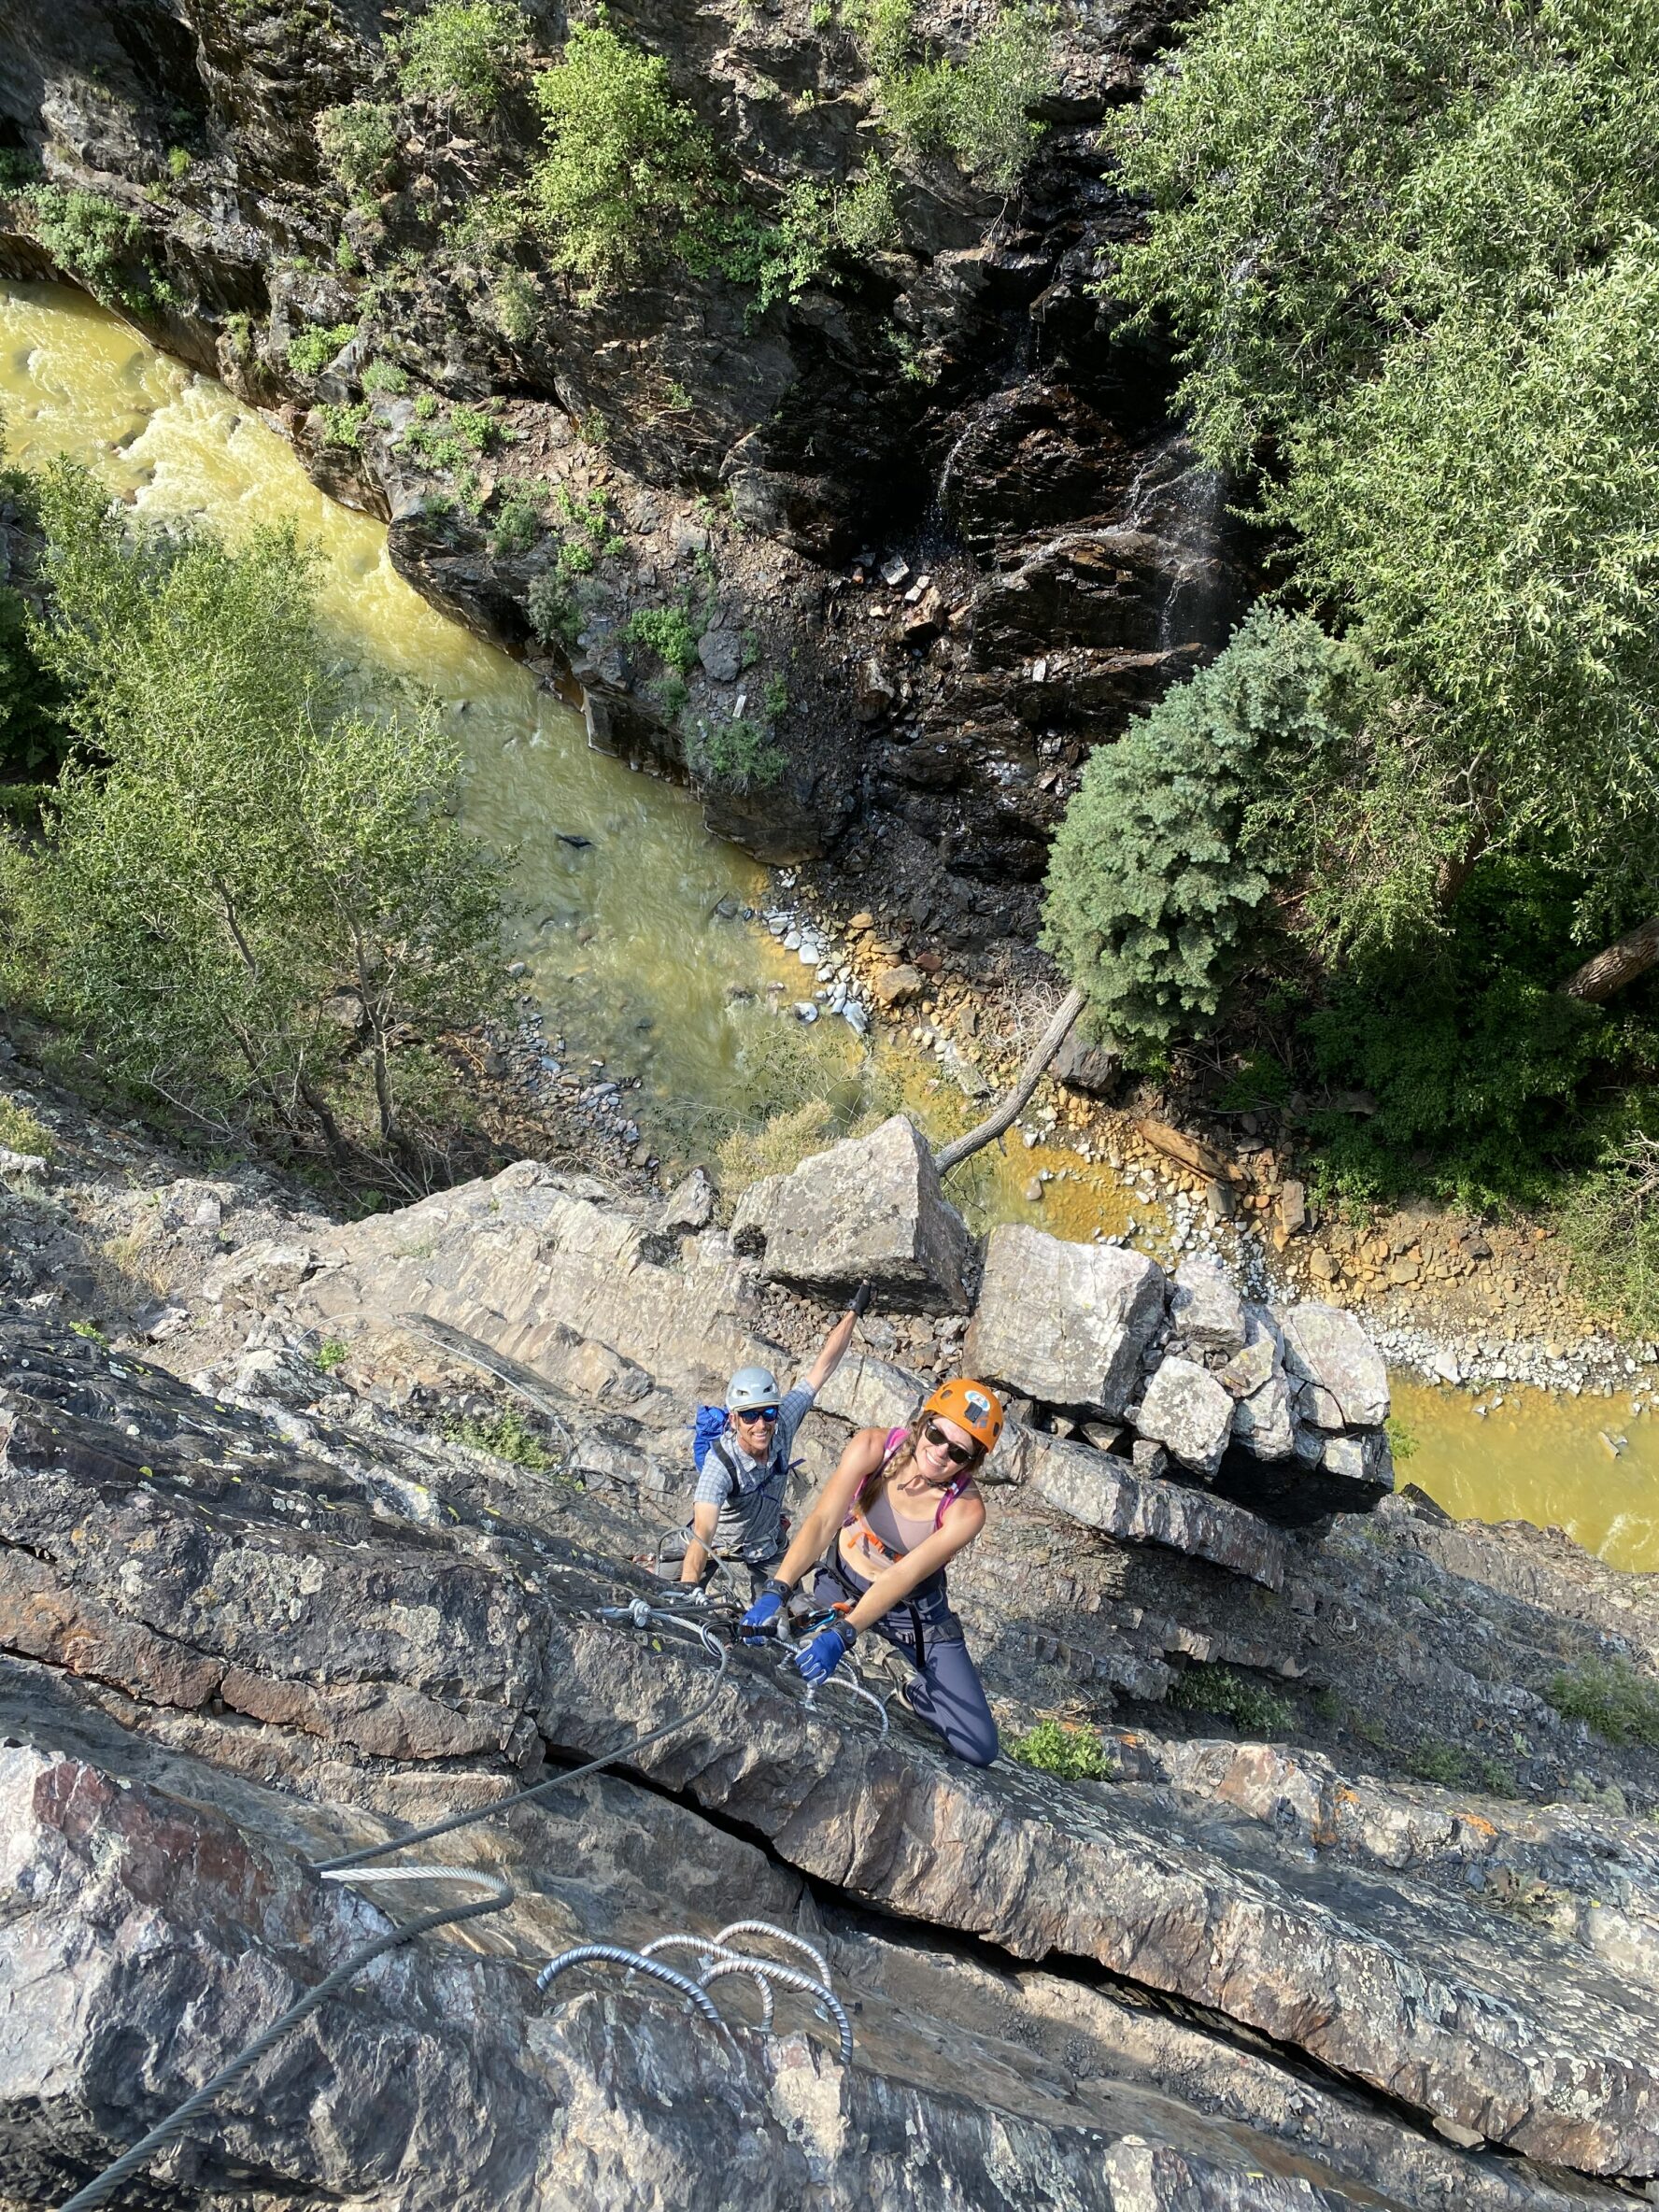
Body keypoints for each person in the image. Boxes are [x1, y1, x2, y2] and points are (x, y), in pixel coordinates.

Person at [739, 1378, 1003, 1767]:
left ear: (971, 1463)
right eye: (936, 1434)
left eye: (959, 1452)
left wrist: (845, 1635)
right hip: (841, 1583)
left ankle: (910, 1687)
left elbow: (902, 1577)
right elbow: (823, 1521)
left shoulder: (966, 1511)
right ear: (922, 1423)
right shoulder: (873, 1447)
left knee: (979, 1745)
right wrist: (777, 1589)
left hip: (911, 1612)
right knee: (772, 1646)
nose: (940, 1452)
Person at [676, 1282, 872, 1595]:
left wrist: (854, 1311)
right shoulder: (720, 1464)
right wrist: (689, 1589)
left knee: (781, 1620)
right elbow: (703, 1533)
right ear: (734, 1419)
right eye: (750, 1416)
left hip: (765, 1543)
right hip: (719, 1543)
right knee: (665, 1591)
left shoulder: (783, 1422)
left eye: (767, 1413)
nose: (761, 1425)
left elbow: (823, 1366)